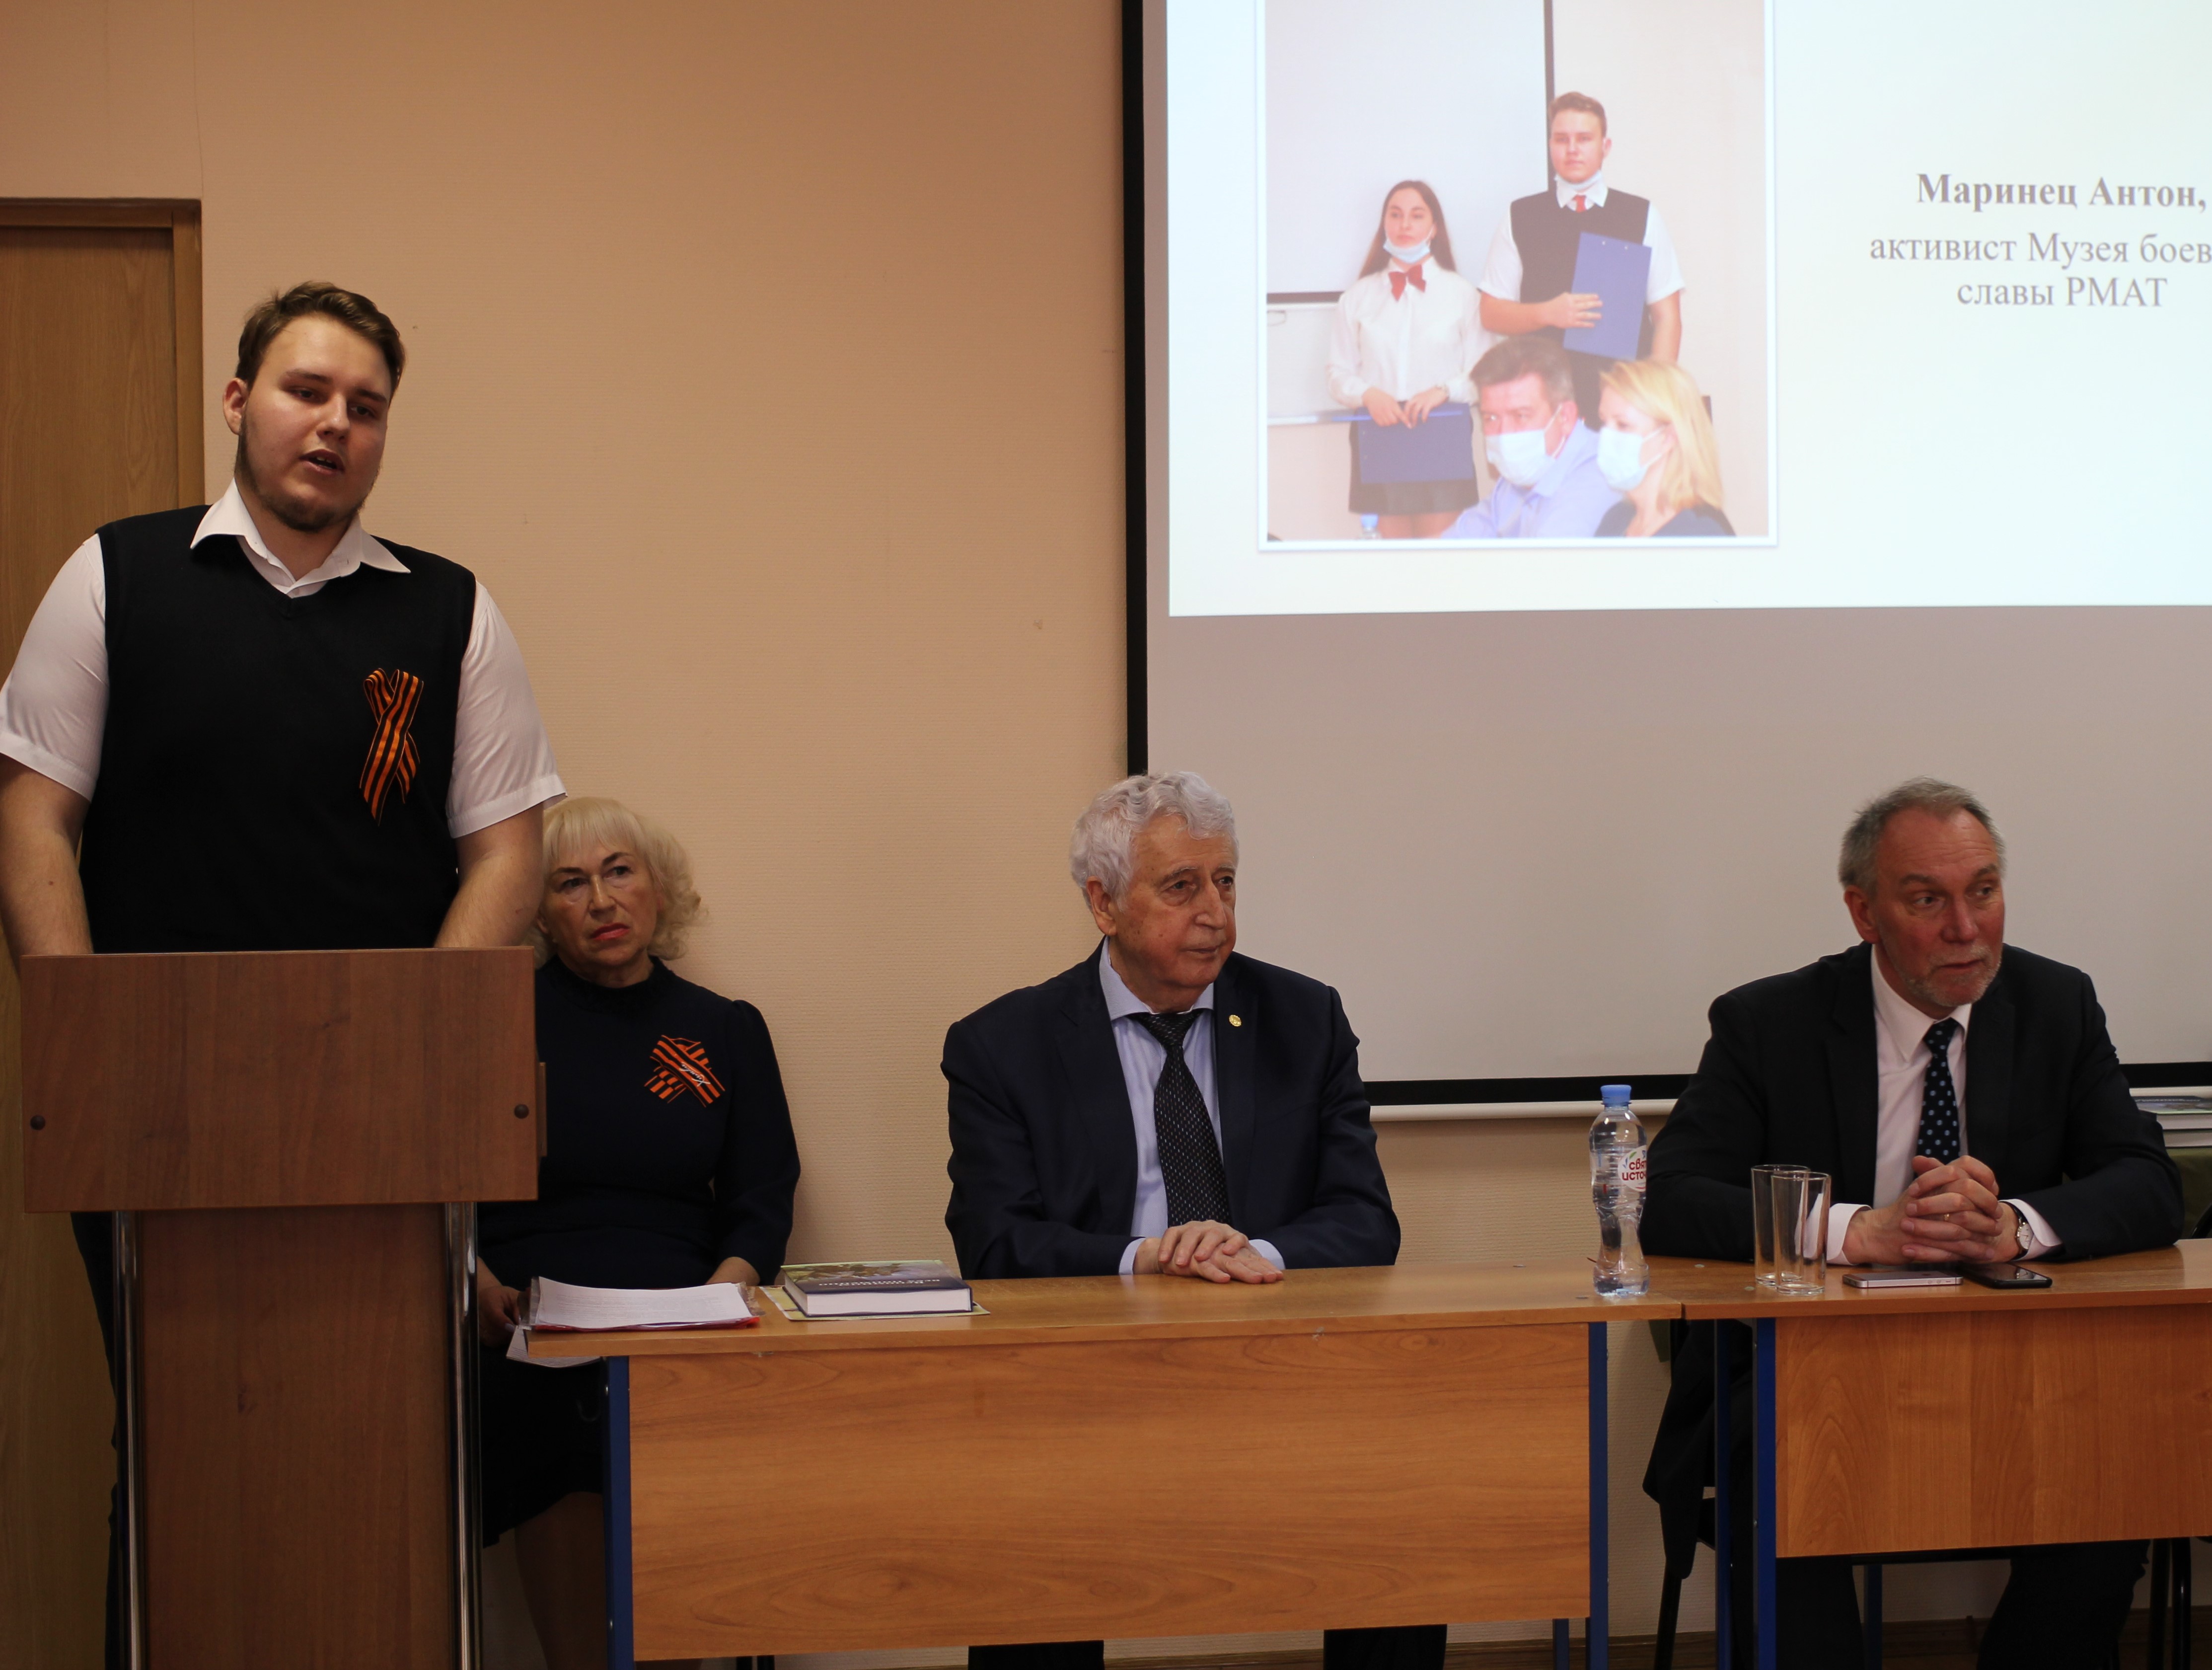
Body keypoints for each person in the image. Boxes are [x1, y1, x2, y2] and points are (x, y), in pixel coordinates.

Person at [0, 280, 563, 1670]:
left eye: (365, 406)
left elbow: (508, 854)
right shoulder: (112, 577)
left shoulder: (450, 610)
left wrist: (415, 1050)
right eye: (308, 392)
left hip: (388, 1124)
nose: (334, 424)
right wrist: (81, 1043)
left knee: (388, 1442)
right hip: (149, 1112)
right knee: (176, 1445)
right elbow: (33, 821)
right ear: (240, 401)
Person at [1640, 778, 2182, 1670]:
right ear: (1864, 912)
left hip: (2014, 1372)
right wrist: (1854, 1231)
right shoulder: (1767, 1022)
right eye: (1926, 900)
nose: (1965, 928)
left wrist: (2012, 1225)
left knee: (2115, 1471)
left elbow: (2148, 1181)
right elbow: (1664, 1196)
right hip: (1804, 1376)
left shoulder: (2056, 1004)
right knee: (1774, 1489)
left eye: (1983, 890)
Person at [943, 771, 1439, 1670]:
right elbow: (994, 1240)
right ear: (1102, 903)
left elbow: (1366, 1219)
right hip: (1084, 1379)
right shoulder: (1002, 1044)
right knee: (1022, 1526)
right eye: (1180, 886)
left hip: (1281, 1366)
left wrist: (1247, 1249)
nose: (1214, 912)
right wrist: (1146, 1256)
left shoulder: (1304, 1018)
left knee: (1406, 1501)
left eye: (1225, 881)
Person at [476, 796, 801, 1670]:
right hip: (532, 1321)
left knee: (690, 1420)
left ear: (659, 887)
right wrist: (477, 1283)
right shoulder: (495, 1021)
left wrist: (728, 1286)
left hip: (683, 1317)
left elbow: (763, 1191)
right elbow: (443, 1190)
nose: (601, 900)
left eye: (619, 871)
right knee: (557, 1418)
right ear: (538, 911)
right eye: (569, 883)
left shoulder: (723, 1027)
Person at [1477, 92, 1684, 422]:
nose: (1572, 149)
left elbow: (1667, 317)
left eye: (1584, 139)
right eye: (1562, 139)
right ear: (1550, 146)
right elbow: (1491, 313)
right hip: (1546, 405)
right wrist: (1547, 313)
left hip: (1622, 402)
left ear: (1605, 146)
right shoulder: (1521, 216)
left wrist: (1654, 397)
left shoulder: (1640, 215)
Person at [1326, 180, 1486, 538]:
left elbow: (1483, 372)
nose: (1405, 225)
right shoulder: (1357, 297)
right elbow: (1337, 372)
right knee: (1390, 561)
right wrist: (1368, 394)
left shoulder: (1463, 294)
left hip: (1441, 432)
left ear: (1434, 227)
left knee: (1438, 559)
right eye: (1395, 215)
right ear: (1384, 224)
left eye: (1417, 216)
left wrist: (1443, 391)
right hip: (1379, 434)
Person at [1442, 338, 1618, 539]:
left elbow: (1547, 558)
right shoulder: (1523, 473)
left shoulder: (1598, 475)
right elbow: (1455, 545)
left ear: (1565, 417)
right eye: (1491, 418)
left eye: (1521, 416)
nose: (1505, 433)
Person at [1591, 359, 1732, 538]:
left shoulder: (1702, 534)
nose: (1607, 438)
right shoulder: (1615, 519)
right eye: (1604, 423)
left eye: (1623, 425)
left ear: (1668, 438)